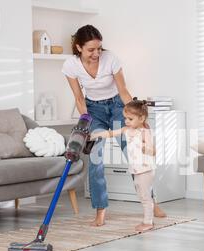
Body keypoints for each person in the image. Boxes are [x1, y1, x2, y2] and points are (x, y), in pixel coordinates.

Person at [62, 25, 166, 227]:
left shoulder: (110, 59)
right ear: (79, 47)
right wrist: (85, 120)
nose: (96, 53)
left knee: (134, 151)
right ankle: (100, 210)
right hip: (94, 111)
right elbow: (78, 97)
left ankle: (152, 202)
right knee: (95, 157)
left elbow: (124, 90)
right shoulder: (70, 66)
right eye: (91, 49)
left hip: (118, 106)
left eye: (99, 48)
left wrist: (138, 118)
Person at [90, 99, 156, 232]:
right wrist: (97, 134)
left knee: (144, 197)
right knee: (142, 195)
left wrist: (146, 149)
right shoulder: (127, 129)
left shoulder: (145, 132)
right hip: (137, 169)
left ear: (141, 118)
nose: (126, 121)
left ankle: (148, 222)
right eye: (125, 118)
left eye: (130, 119)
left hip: (145, 169)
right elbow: (110, 133)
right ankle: (148, 218)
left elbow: (154, 150)